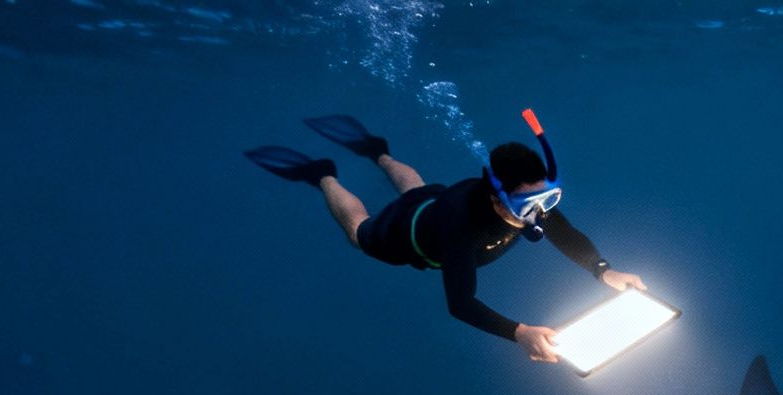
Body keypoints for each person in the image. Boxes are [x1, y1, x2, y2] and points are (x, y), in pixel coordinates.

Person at [245, 113, 646, 362]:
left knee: (418, 188)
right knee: (359, 230)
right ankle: (323, 174)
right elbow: (460, 302)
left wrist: (603, 271)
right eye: (530, 202)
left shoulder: (527, 201)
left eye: (547, 198)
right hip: (408, 234)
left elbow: (564, 232)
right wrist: (519, 333)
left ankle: (378, 152)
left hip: (437, 201)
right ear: (497, 197)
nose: (539, 212)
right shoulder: (461, 228)